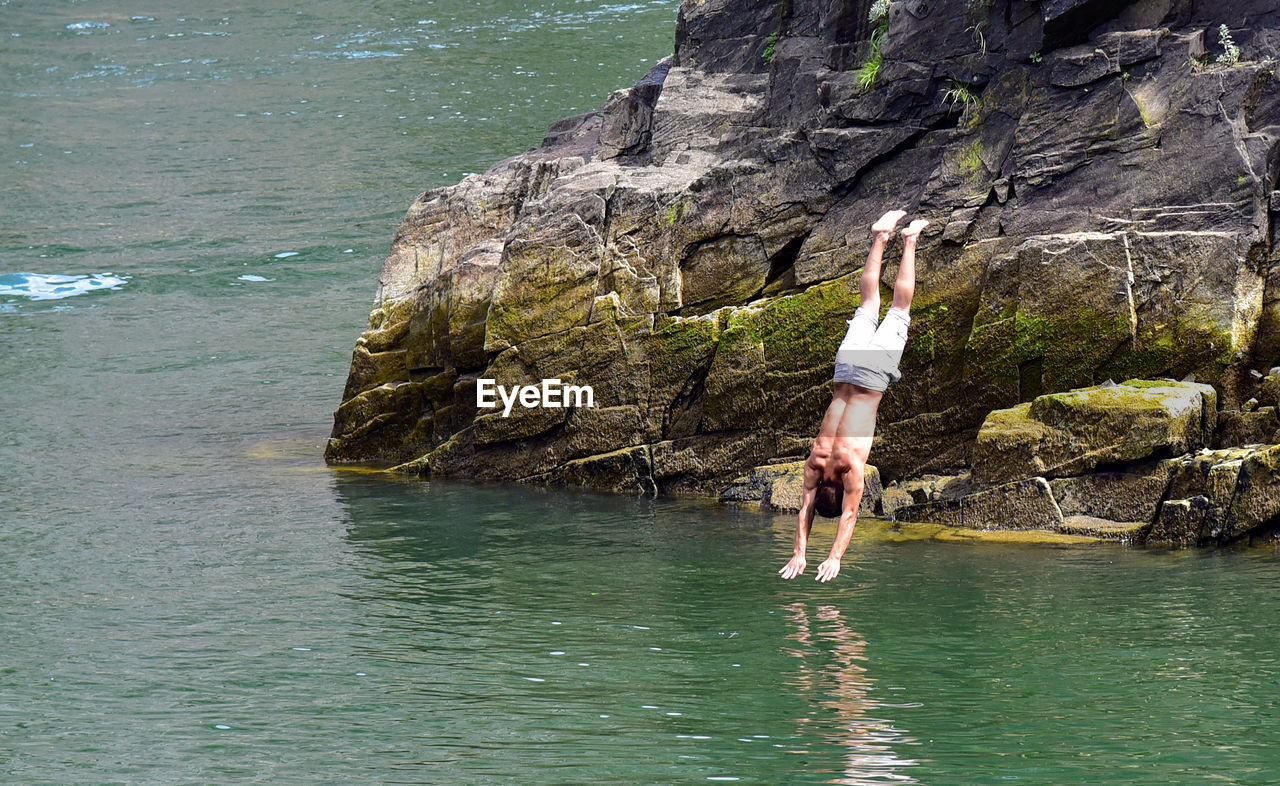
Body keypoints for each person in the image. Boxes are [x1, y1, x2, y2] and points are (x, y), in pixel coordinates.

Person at [779, 209, 928, 582]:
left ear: (840, 487)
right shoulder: (813, 463)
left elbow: (850, 514)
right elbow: (804, 511)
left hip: (873, 378)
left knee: (899, 309)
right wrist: (799, 551)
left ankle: (909, 240)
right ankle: (880, 236)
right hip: (844, 373)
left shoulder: (851, 469)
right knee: (868, 304)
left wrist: (835, 558)